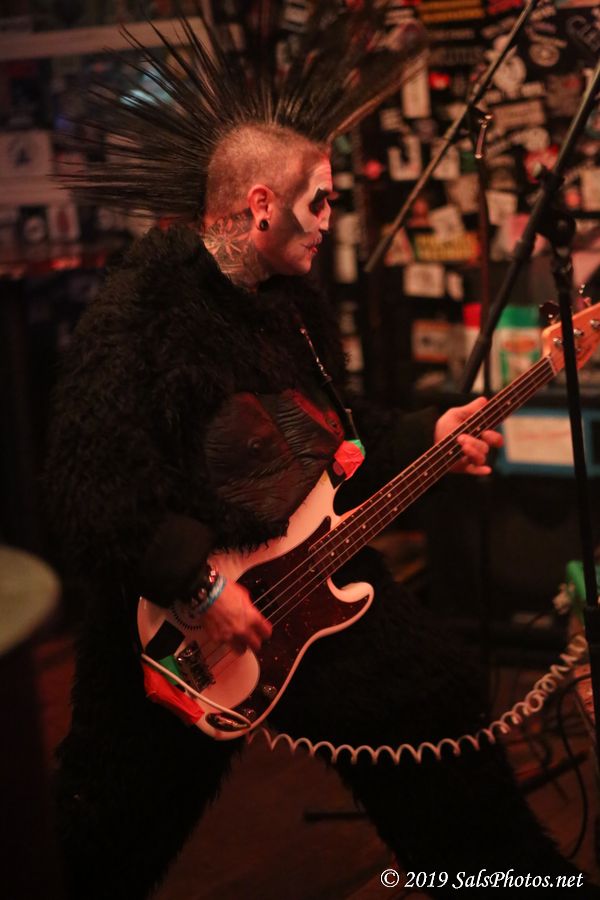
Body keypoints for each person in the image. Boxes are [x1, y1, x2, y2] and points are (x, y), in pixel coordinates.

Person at [44, 5, 599, 898]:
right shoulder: (143, 311)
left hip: (306, 579)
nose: (330, 220)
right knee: (106, 826)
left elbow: (330, 435)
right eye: (320, 200)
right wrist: (198, 589)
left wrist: (428, 434)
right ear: (261, 204)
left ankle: (508, 883)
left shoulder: (287, 301)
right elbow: (91, 486)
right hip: (172, 623)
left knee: (431, 695)